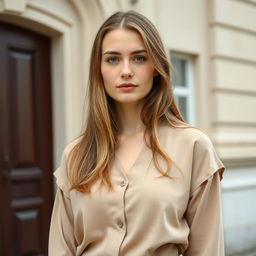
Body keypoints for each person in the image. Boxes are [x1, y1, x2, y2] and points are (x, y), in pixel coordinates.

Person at [48, 10, 225, 256]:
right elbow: (61, 247)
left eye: (139, 58)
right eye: (112, 59)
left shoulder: (193, 146)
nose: (126, 71)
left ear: (156, 66)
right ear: (98, 69)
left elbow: (207, 249)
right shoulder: (76, 154)